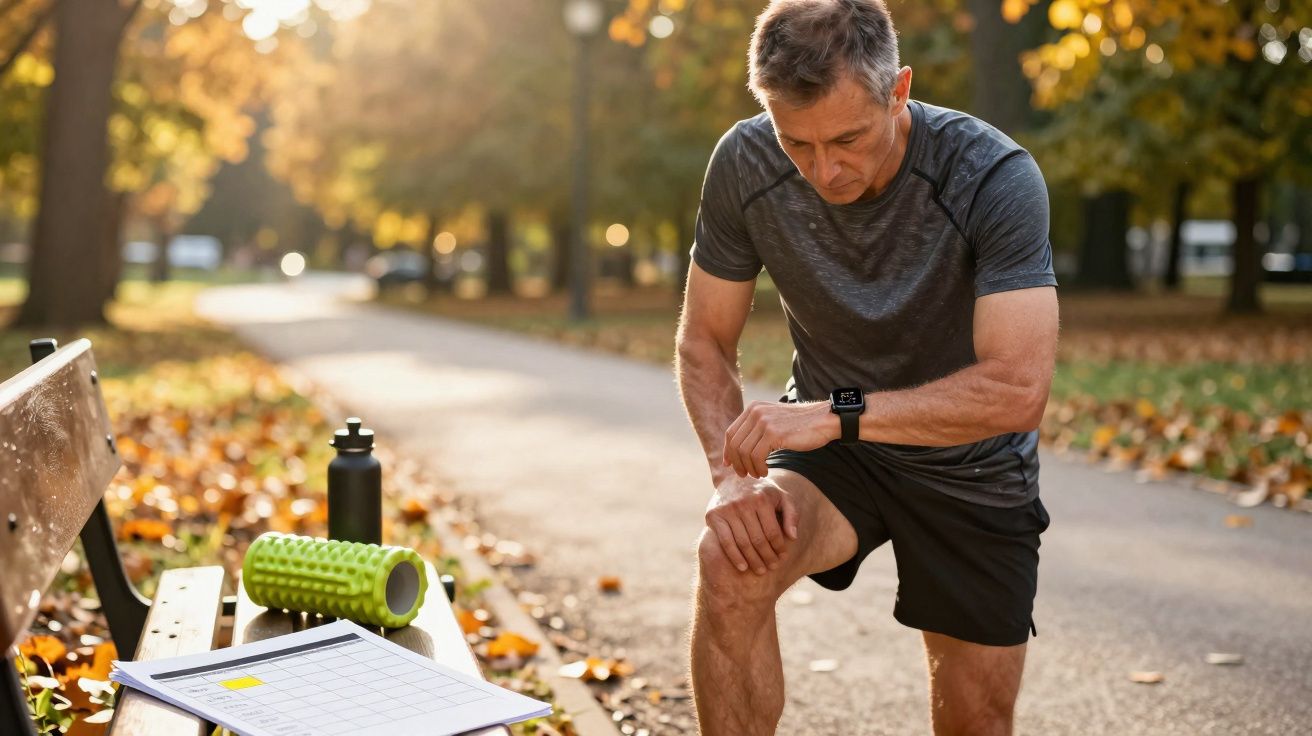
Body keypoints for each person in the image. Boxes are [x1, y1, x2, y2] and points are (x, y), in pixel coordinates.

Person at [673, 1, 1060, 734]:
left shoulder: (992, 175)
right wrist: (733, 479)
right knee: (732, 558)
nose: (825, 169)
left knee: (975, 720)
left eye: (848, 138)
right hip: (836, 461)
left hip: (970, 466)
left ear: (899, 90)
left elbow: (1017, 389)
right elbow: (704, 342)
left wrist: (828, 414)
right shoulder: (745, 161)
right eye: (798, 143)